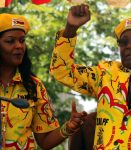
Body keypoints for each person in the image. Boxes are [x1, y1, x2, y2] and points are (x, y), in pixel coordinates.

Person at [50, 4, 131, 150]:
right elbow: (62, 72)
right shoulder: (105, 74)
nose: (129, 46)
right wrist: (70, 29)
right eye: (123, 42)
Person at [0, 13, 88, 150]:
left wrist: (69, 126)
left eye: (22, 41)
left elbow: (45, 141)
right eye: (10, 41)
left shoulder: (34, 86)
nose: (19, 46)